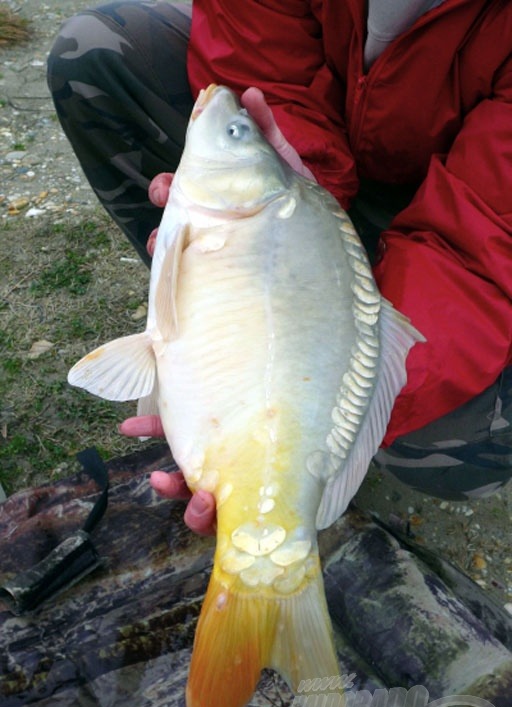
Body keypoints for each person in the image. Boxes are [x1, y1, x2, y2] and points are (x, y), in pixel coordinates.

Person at [47, 1, 512, 536]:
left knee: (450, 443)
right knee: (95, 49)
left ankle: (302, 432)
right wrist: (297, 173)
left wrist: (329, 412)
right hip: (311, 171)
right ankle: (207, 348)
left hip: (466, 213)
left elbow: (479, 239)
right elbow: (260, 73)